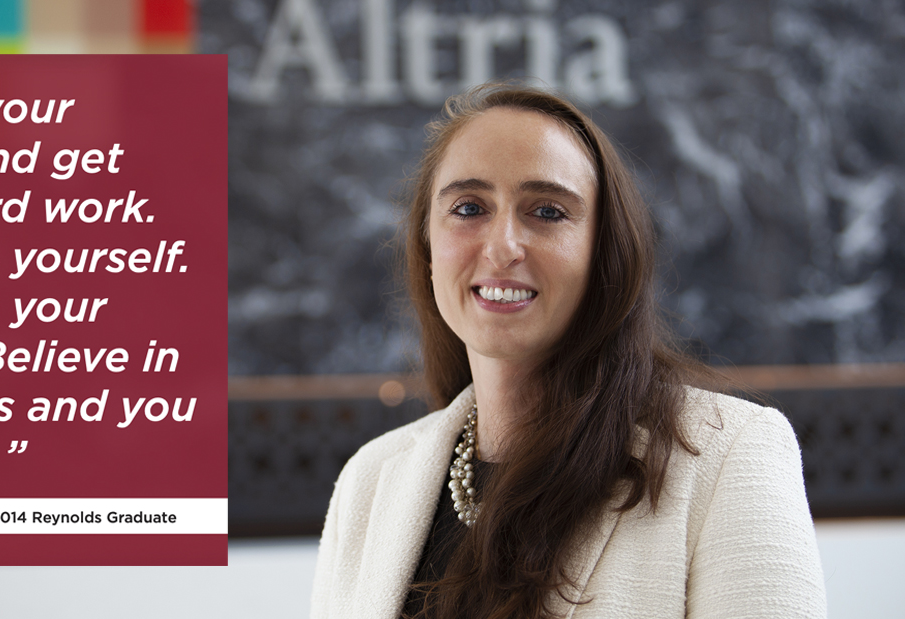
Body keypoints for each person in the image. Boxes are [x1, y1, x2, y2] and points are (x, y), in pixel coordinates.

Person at [309, 84, 827, 619]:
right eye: (468, 208)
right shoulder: (370, 482)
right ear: (428, 248)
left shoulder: (731, 456)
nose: (502, 246)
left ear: (604, 252)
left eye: (548, 211)